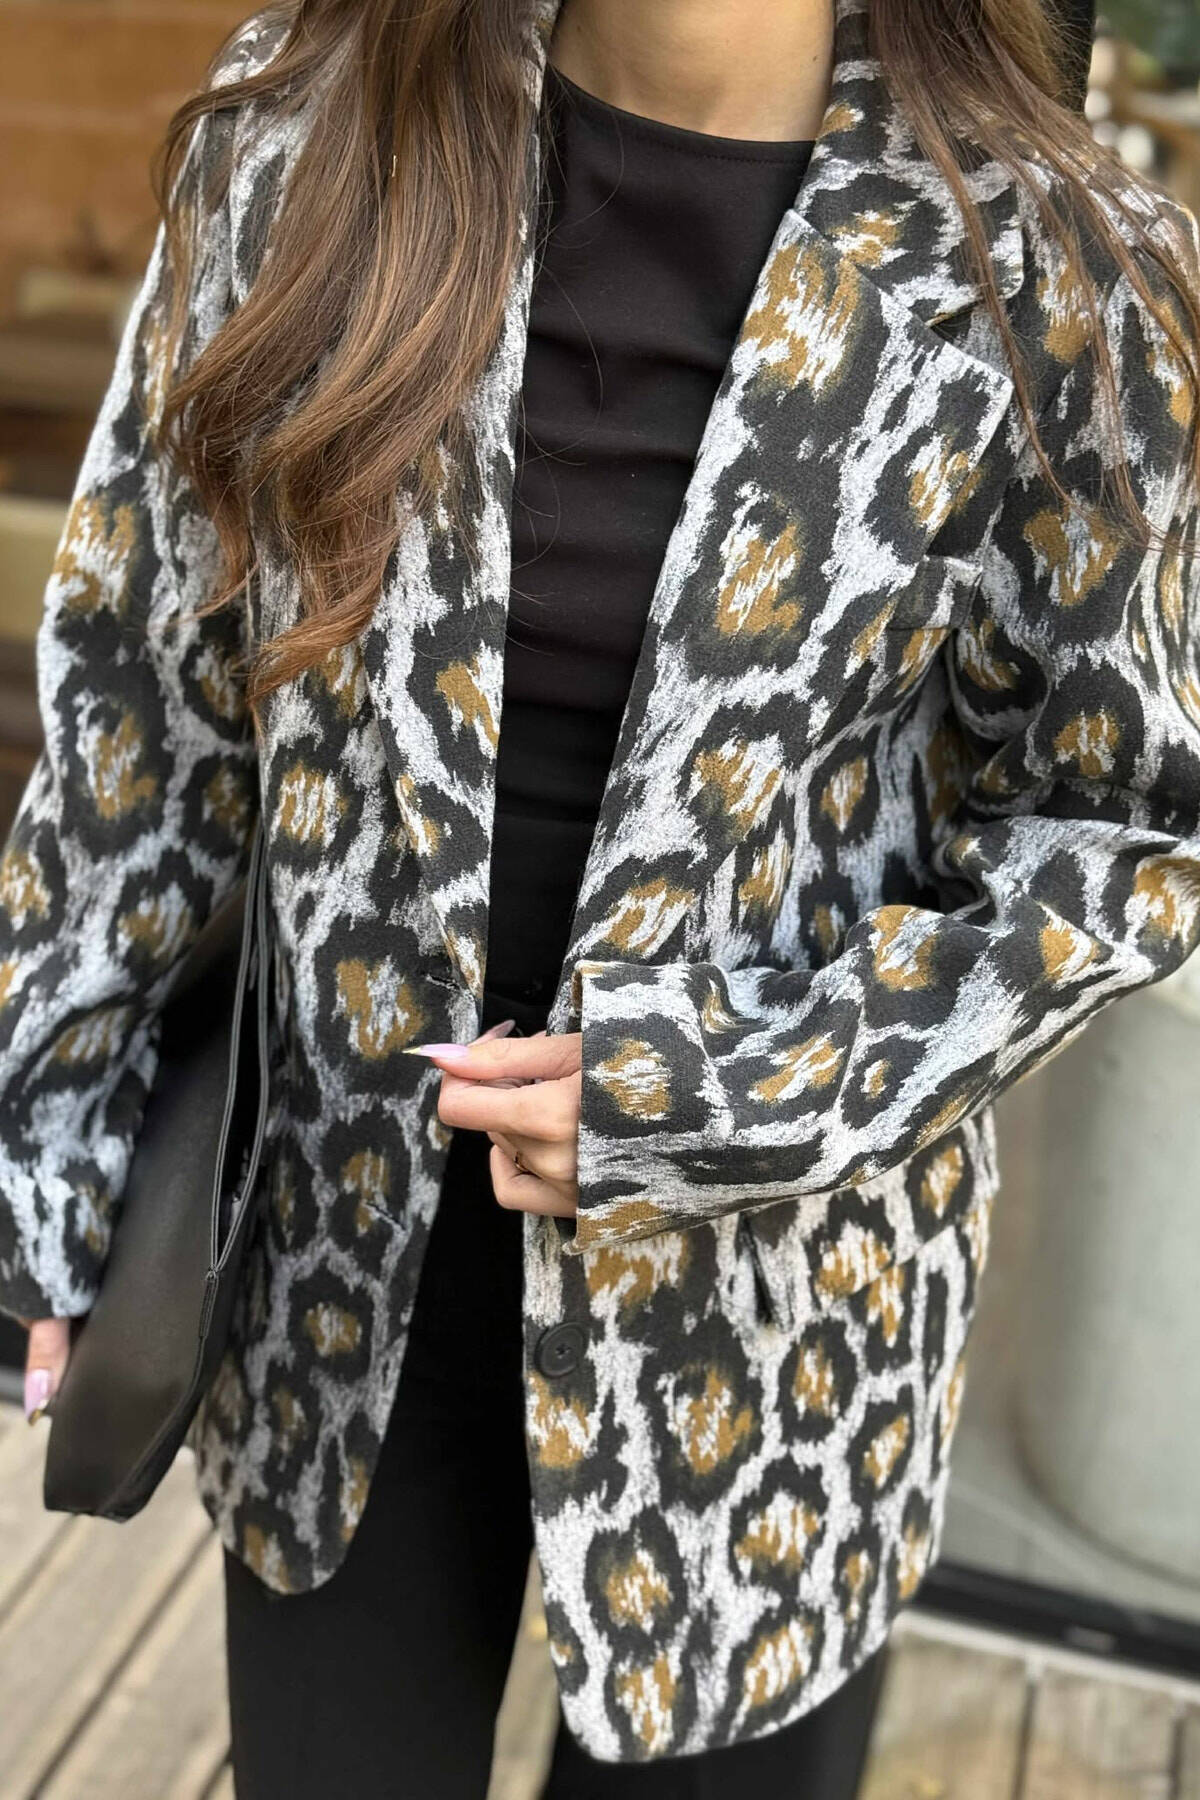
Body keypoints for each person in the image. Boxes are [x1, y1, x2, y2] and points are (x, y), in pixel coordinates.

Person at [2, 0, 1199, 1793]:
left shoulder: (1059, 268)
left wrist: (726, 1094)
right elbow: (142, 700)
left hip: (771, 1336)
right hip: (338, 1267)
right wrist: (55, 1142)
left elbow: (1122, 831)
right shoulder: (305, 131)